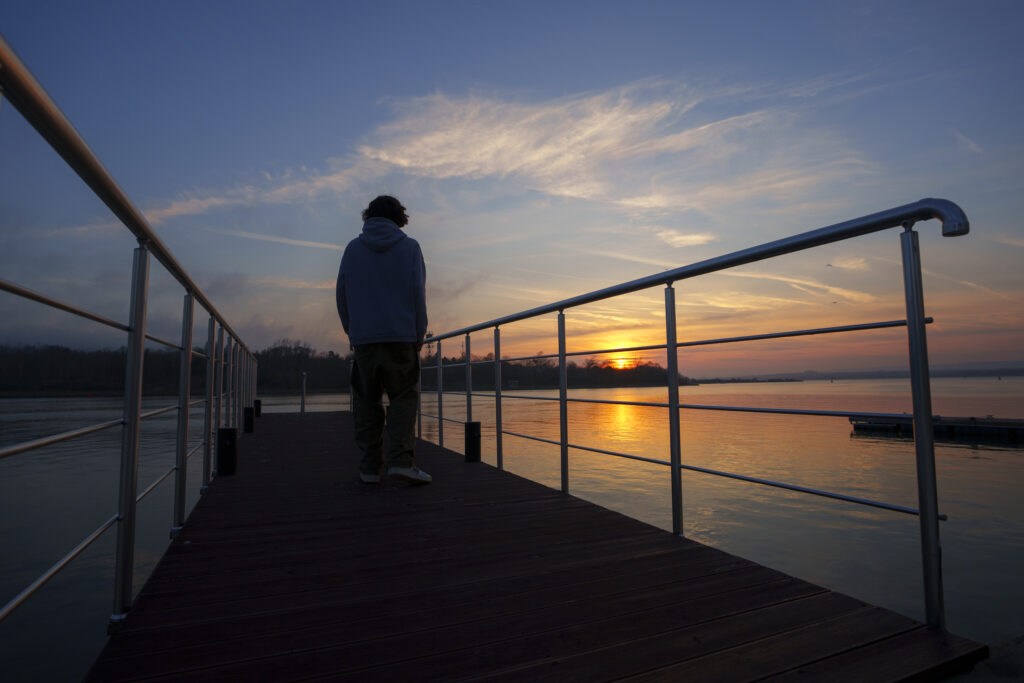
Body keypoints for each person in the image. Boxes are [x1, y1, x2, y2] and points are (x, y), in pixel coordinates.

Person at [336, 195, 431, 484]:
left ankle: (369, 467)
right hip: (401, 336)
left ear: (369, 216)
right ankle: (401, 462)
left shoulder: (352, 249)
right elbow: (417, 292)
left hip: (365, 339)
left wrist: (352, 330)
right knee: (403, 398)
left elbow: (341, 293)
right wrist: (419, 333)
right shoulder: (410, 247)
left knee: (366, 402)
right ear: (399, 218)